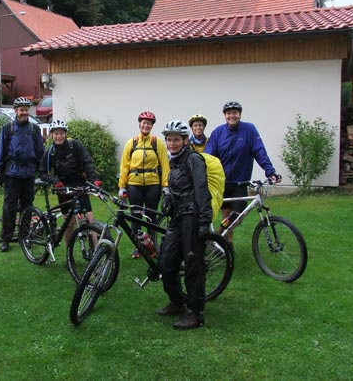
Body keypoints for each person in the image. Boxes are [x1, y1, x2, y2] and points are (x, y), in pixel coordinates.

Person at [156, 120, 212, 330]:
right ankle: (178, 303)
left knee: (192, 266)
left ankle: (196, 314)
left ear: (185, 140)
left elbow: (201, 189)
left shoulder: (193, 159)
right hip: (177, 218)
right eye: (169, 139)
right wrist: (168, 198)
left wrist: (204, 221)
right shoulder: (175, 161)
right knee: (166, 263)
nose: (172, 143)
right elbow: (175, 186)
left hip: (193, 217)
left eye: (176, 139)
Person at [204, 101, 281, 247]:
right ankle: (227, 245)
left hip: (240, 182)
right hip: (222, 182)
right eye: (229, 113)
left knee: (237, 216)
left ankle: (216, 238)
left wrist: (270, 171)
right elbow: (209, 156)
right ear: (225, 115)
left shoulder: (249, 130)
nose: (231, 116)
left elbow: (259, 151)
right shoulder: (218, 132)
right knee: (226, 215)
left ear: (240, 114)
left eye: (235, 113)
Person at [0, 97, 45, 252]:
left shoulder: (34, 129)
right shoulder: (8, 128)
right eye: (21, 109)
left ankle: (25, 236)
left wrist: (42, 170)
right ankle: (6, 238)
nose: (24, 112)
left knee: (27, 207)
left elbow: (40, 151)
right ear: (16, 111)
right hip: (12, 173)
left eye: (26, 109)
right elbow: (1, 150)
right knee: (9, 208)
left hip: (29, 173)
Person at [39, 120, 102, 243]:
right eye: (56, 133)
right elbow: (42, 173)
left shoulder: (75, 145)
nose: (59, 136)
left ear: (65, 134)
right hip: (62, 188)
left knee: (89, 220)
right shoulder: (50, 152)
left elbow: (87, 162)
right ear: (52, 135)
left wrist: (94, 179)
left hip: (80, 185)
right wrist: (54, 181)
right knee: (68, 224)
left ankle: (95, 250)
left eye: (61, 133)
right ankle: (69, 255)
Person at [118, 111, 170, 259]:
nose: (146, 125)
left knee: (151, 216)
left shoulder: (157, 142)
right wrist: (122, 185)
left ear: (152, 126)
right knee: (136, 216)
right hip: (134, 184)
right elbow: (124, 165)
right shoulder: (132, 143)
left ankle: (152, 246)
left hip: (153, 184)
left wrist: (165, 185)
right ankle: (138, 247)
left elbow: (165, 164)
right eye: (144, 123)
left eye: (149, 123)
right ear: (139, 124)